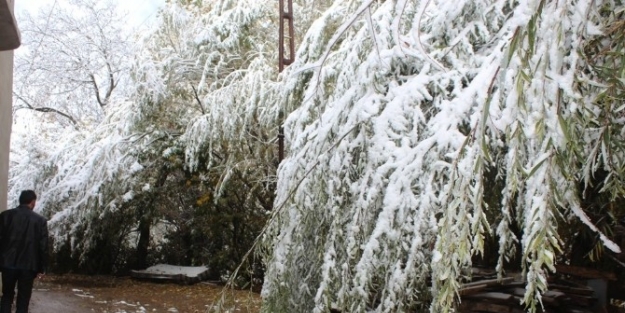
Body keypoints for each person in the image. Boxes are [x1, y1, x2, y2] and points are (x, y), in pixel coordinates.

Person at [0, 190, 49, 313]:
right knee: (23, 299)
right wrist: (42, 268)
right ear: (32, 202)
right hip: (28, 266)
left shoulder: (5, 216)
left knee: (6, 296)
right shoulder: (40, 221)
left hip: (8, 263)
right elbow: (43, 246)